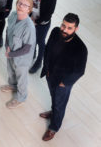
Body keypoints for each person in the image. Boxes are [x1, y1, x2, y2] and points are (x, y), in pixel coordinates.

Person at [40, 13, 87, 141]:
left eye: (69, 28)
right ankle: (53, 113)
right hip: (50, 74)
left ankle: (54, 127)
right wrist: (47, 67)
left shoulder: (81, 49)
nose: (64, 30)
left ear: (76, 29)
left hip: (63, 82)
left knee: (60, 104)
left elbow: (79, 71)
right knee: (53, 97)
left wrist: (64, 83)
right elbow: (47, 48)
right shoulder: (56, 31)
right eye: (63, 25)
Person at [1, 0, 36, 109]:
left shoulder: (29, 27)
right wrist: (7, 46)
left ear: (29, 9)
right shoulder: (13, 15)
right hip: (10, 52)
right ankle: (12, 85)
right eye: (19, 3)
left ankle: (21, 98)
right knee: (11, 71)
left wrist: (11, 54)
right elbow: (8, 31)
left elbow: (27, 48)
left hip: (22, 58)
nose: (21, 6)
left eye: (25, 5)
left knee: (21, 78)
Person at [28, 0, 57, 73]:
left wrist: (37, 21)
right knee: (32, 39)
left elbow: (50, 11)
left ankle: (39, 62)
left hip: (42, 22)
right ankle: (33, 53)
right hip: (32, 18)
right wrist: (29, 16)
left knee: (40, 41)